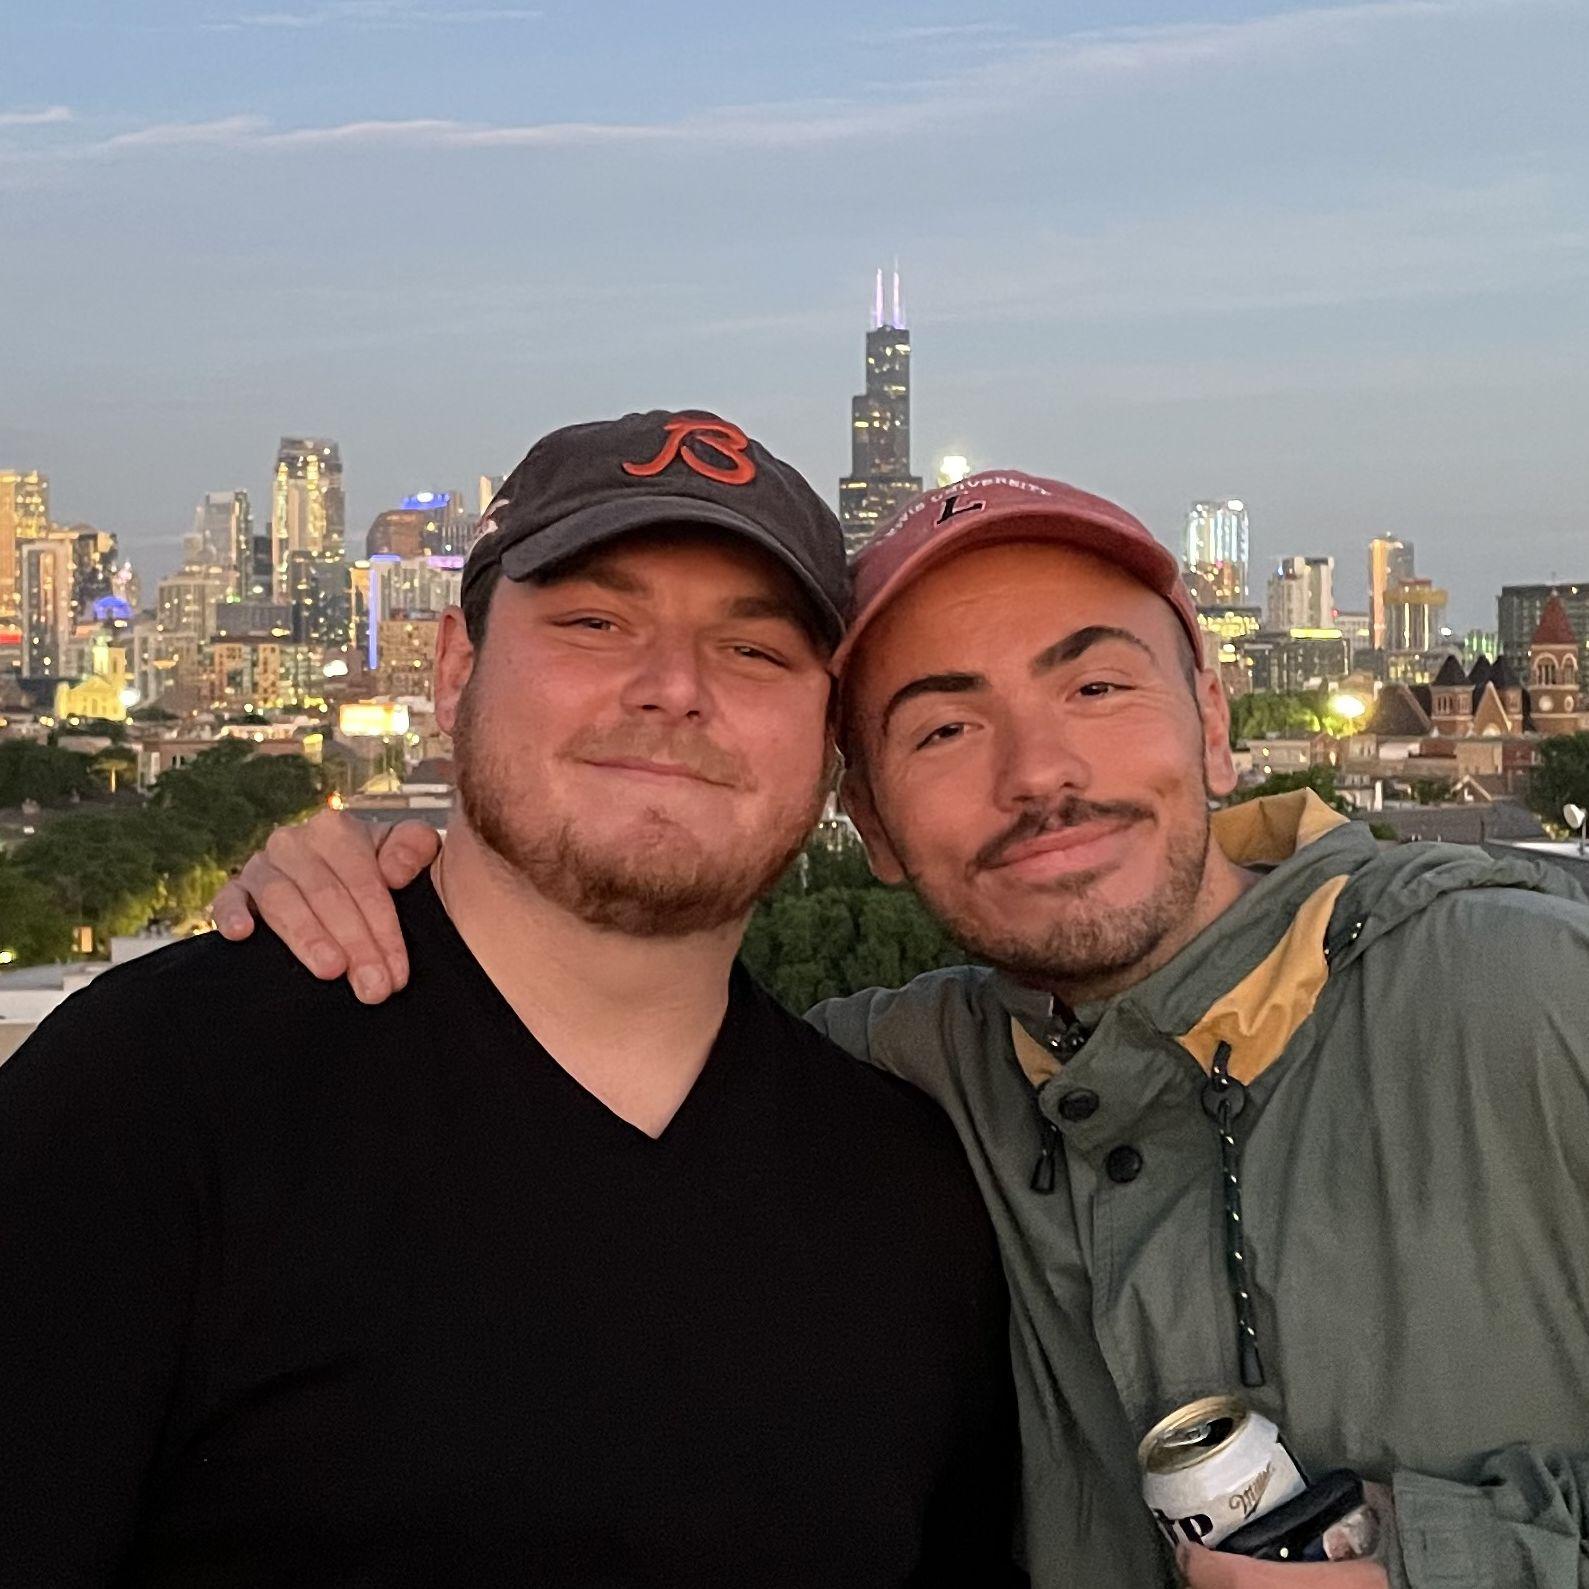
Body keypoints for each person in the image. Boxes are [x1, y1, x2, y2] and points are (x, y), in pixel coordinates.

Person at [229, 467, 1589, 1589]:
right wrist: (357, 889)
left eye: (1095, 688)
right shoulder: (901, 1083)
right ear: (869, 825)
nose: (1039, 773)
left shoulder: (1528, 993)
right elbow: (606, 1023)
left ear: (1214, 725)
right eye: (941, 729)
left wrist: (1448, 1558)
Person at [0, 412, 1020, 1587]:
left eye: (751, 649)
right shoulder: (149, 1101)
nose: (673, 688)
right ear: (454, 669)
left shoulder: (914, 1194)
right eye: (594, 622)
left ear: (828, 741)